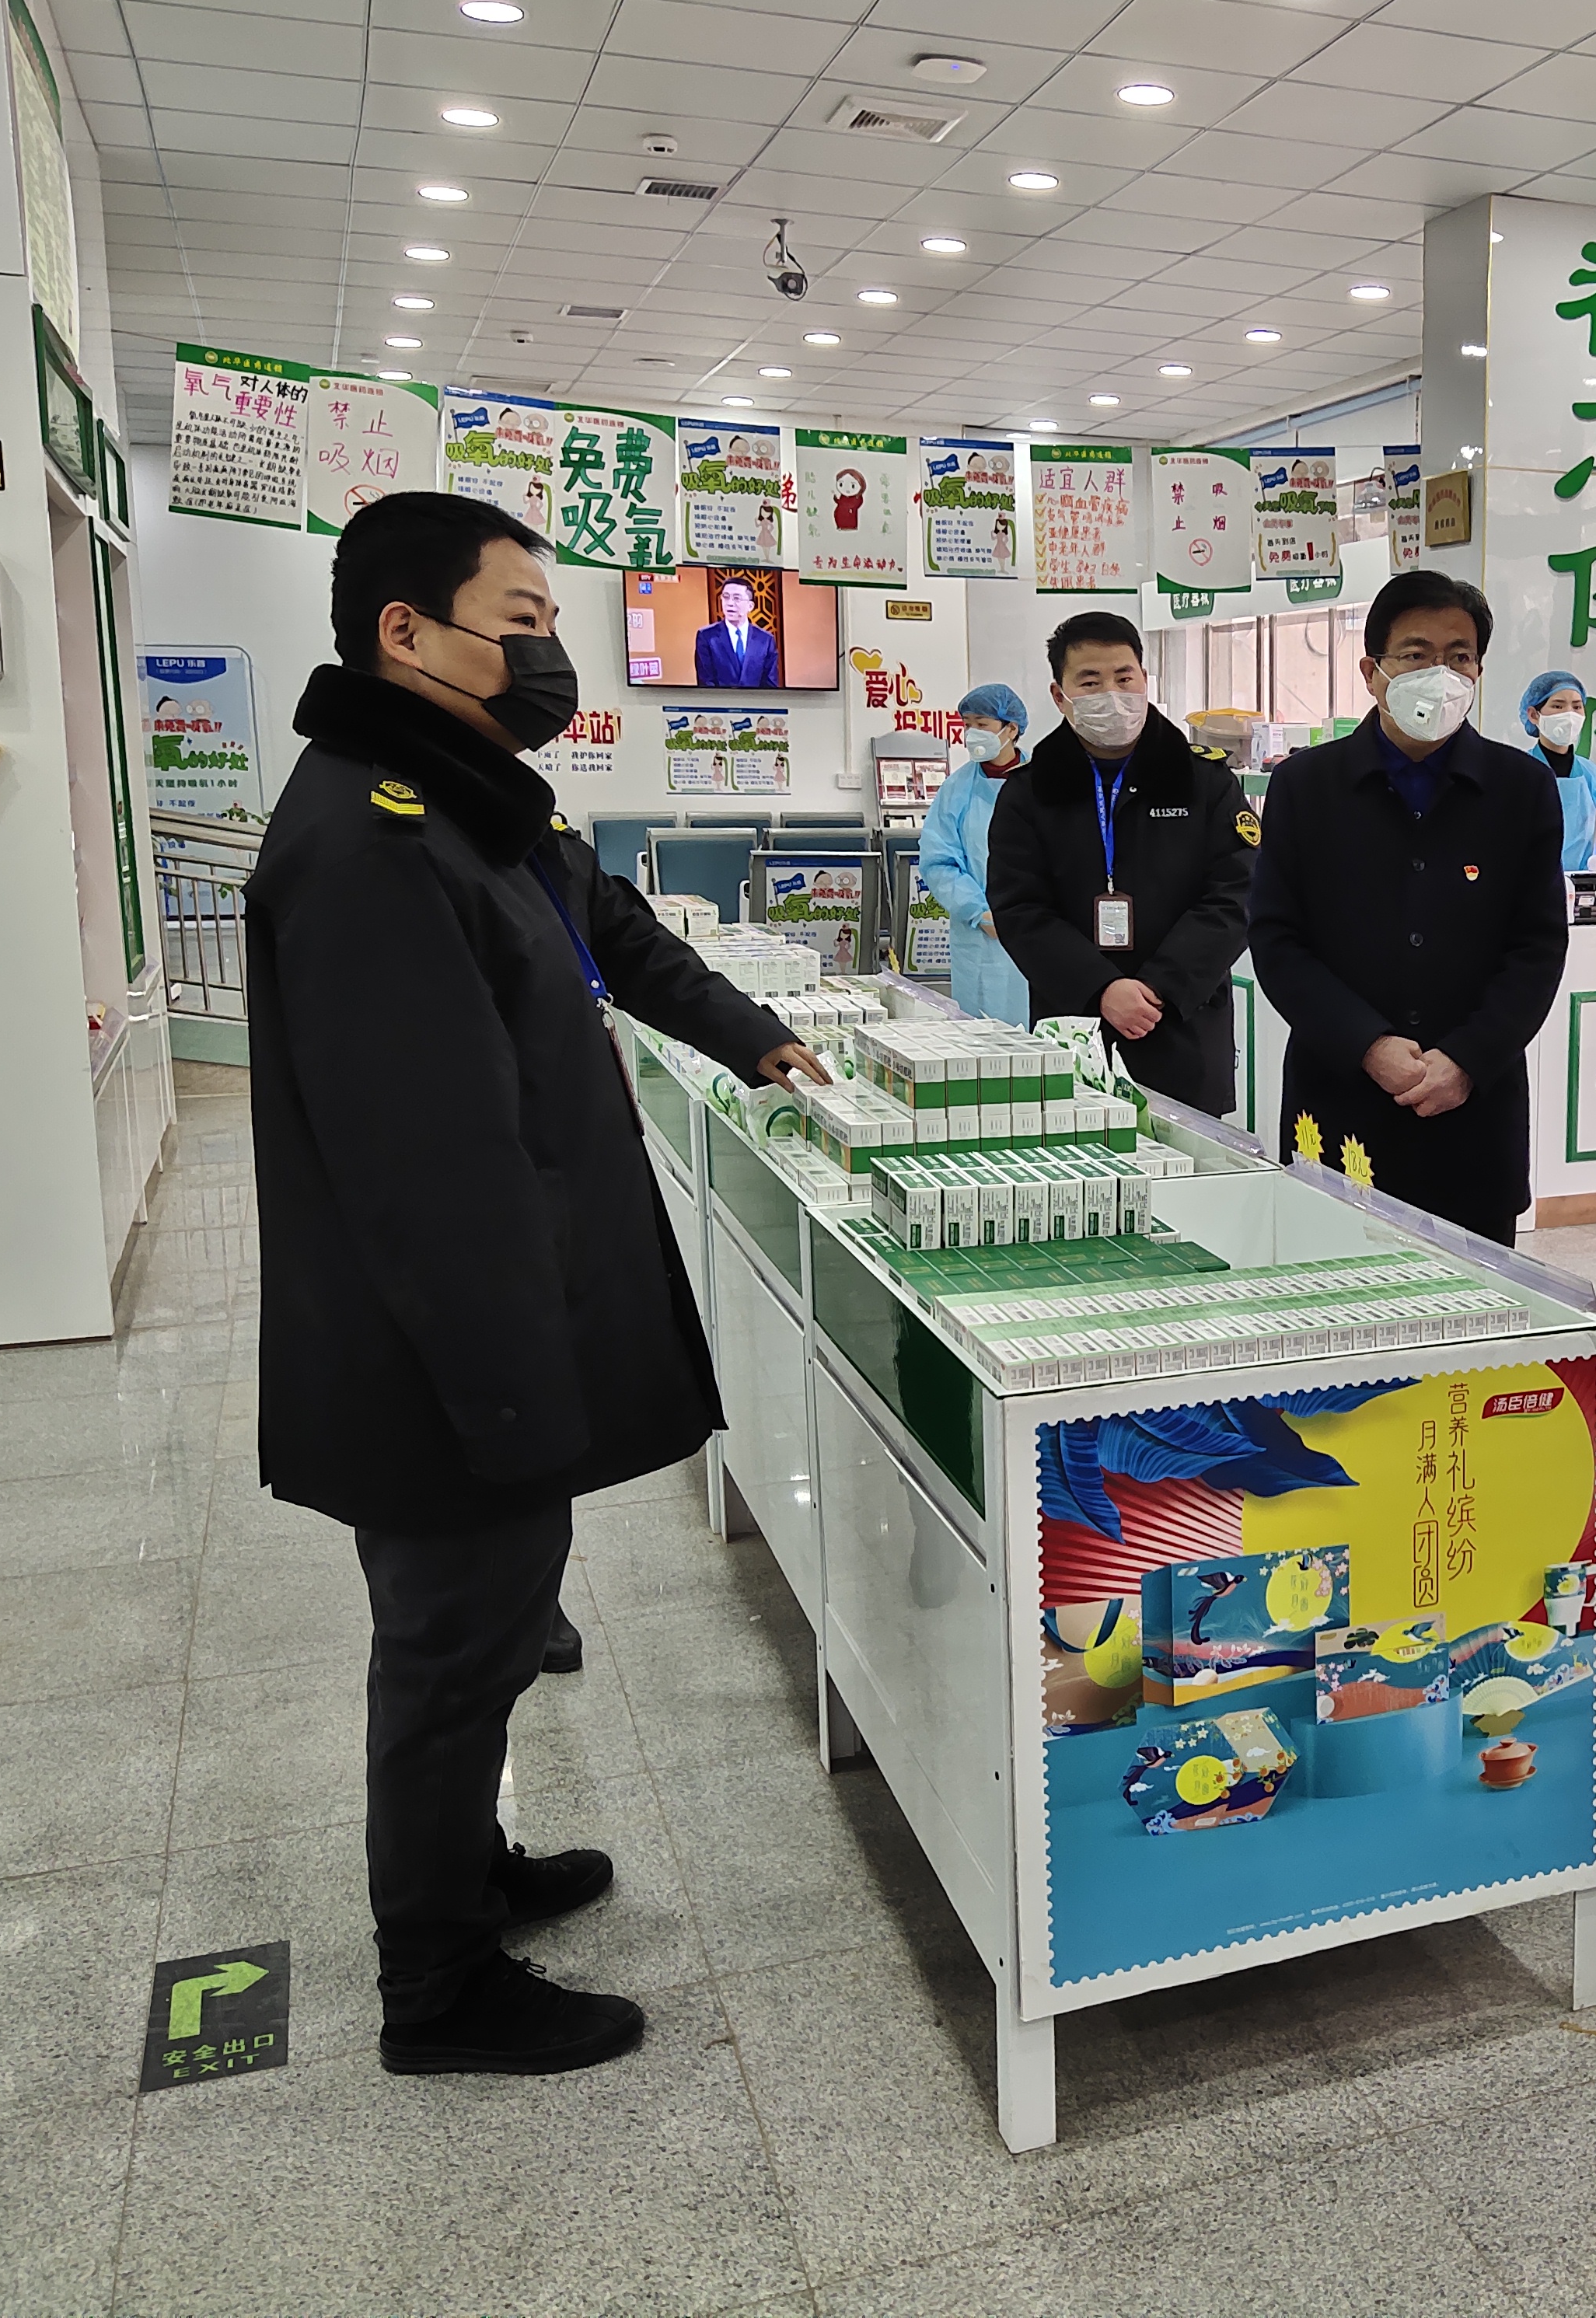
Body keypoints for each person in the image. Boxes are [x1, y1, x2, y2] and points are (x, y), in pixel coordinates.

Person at [247, 492, 830, 2077]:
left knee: (495, 1626)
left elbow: (609, 926)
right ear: (405, 634)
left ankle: (472, 1871)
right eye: (520, 621)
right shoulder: (370, 840)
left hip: (493, 1335)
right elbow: (427, 1174)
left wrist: (755, 1038)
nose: (550, 652)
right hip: (440, 1356)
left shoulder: (467, 795)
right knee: (449, 1649)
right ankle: (436, 1987)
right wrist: (510, 1396)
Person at [1249, 570, 1569, 1243]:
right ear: (1372, 672)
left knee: (1478, 1302)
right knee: (1331, 1283)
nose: (1440, 675)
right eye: (1416, 655)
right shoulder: (1307, 787)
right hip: (1339, 1099)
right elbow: (1277, 940)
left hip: (1474, 1112)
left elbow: (1537, 947)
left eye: (1459, 657)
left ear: (1479, 672)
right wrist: (1367, 1045)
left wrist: (1467, 1059)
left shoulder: (1521, 789)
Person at [987, 609, 1254, 1112]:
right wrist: (1102, 987)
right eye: (1090, 681)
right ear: (1060, 695)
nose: (1111, 694)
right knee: (1073, 1156)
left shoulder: (1204, 781)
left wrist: (1160, 986)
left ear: (1145, 680)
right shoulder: (1029, 793)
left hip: (1184, 1025)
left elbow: (1237, 893)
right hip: (1074, 1029)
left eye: (1124, 677)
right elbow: (1019, 907)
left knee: (1190, 1160)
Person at [917, 682, 1032, 1025]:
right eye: (967, 724)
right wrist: (978, 911)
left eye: (982, 724)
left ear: (1011, 729)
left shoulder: (1045, 784)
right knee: (981, 1032)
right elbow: (939, 861)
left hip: (1037, 928)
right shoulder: (957, 789)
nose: (971, 734)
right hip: (980, 933)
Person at [1518, 669, 1596, 873]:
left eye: (1577, 707)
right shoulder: (1518, 772)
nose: (1569, 714)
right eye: (1558, 706)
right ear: (1534, 715)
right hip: (1530, 884)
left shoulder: (1594, 776)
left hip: (1586, 883)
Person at [693, 577, 779, 686]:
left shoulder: (765, 640)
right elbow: (706, 682)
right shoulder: (707, 637)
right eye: (726, 597)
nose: (730, 603)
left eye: (737, 598)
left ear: (750, 606)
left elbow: (770, 684)